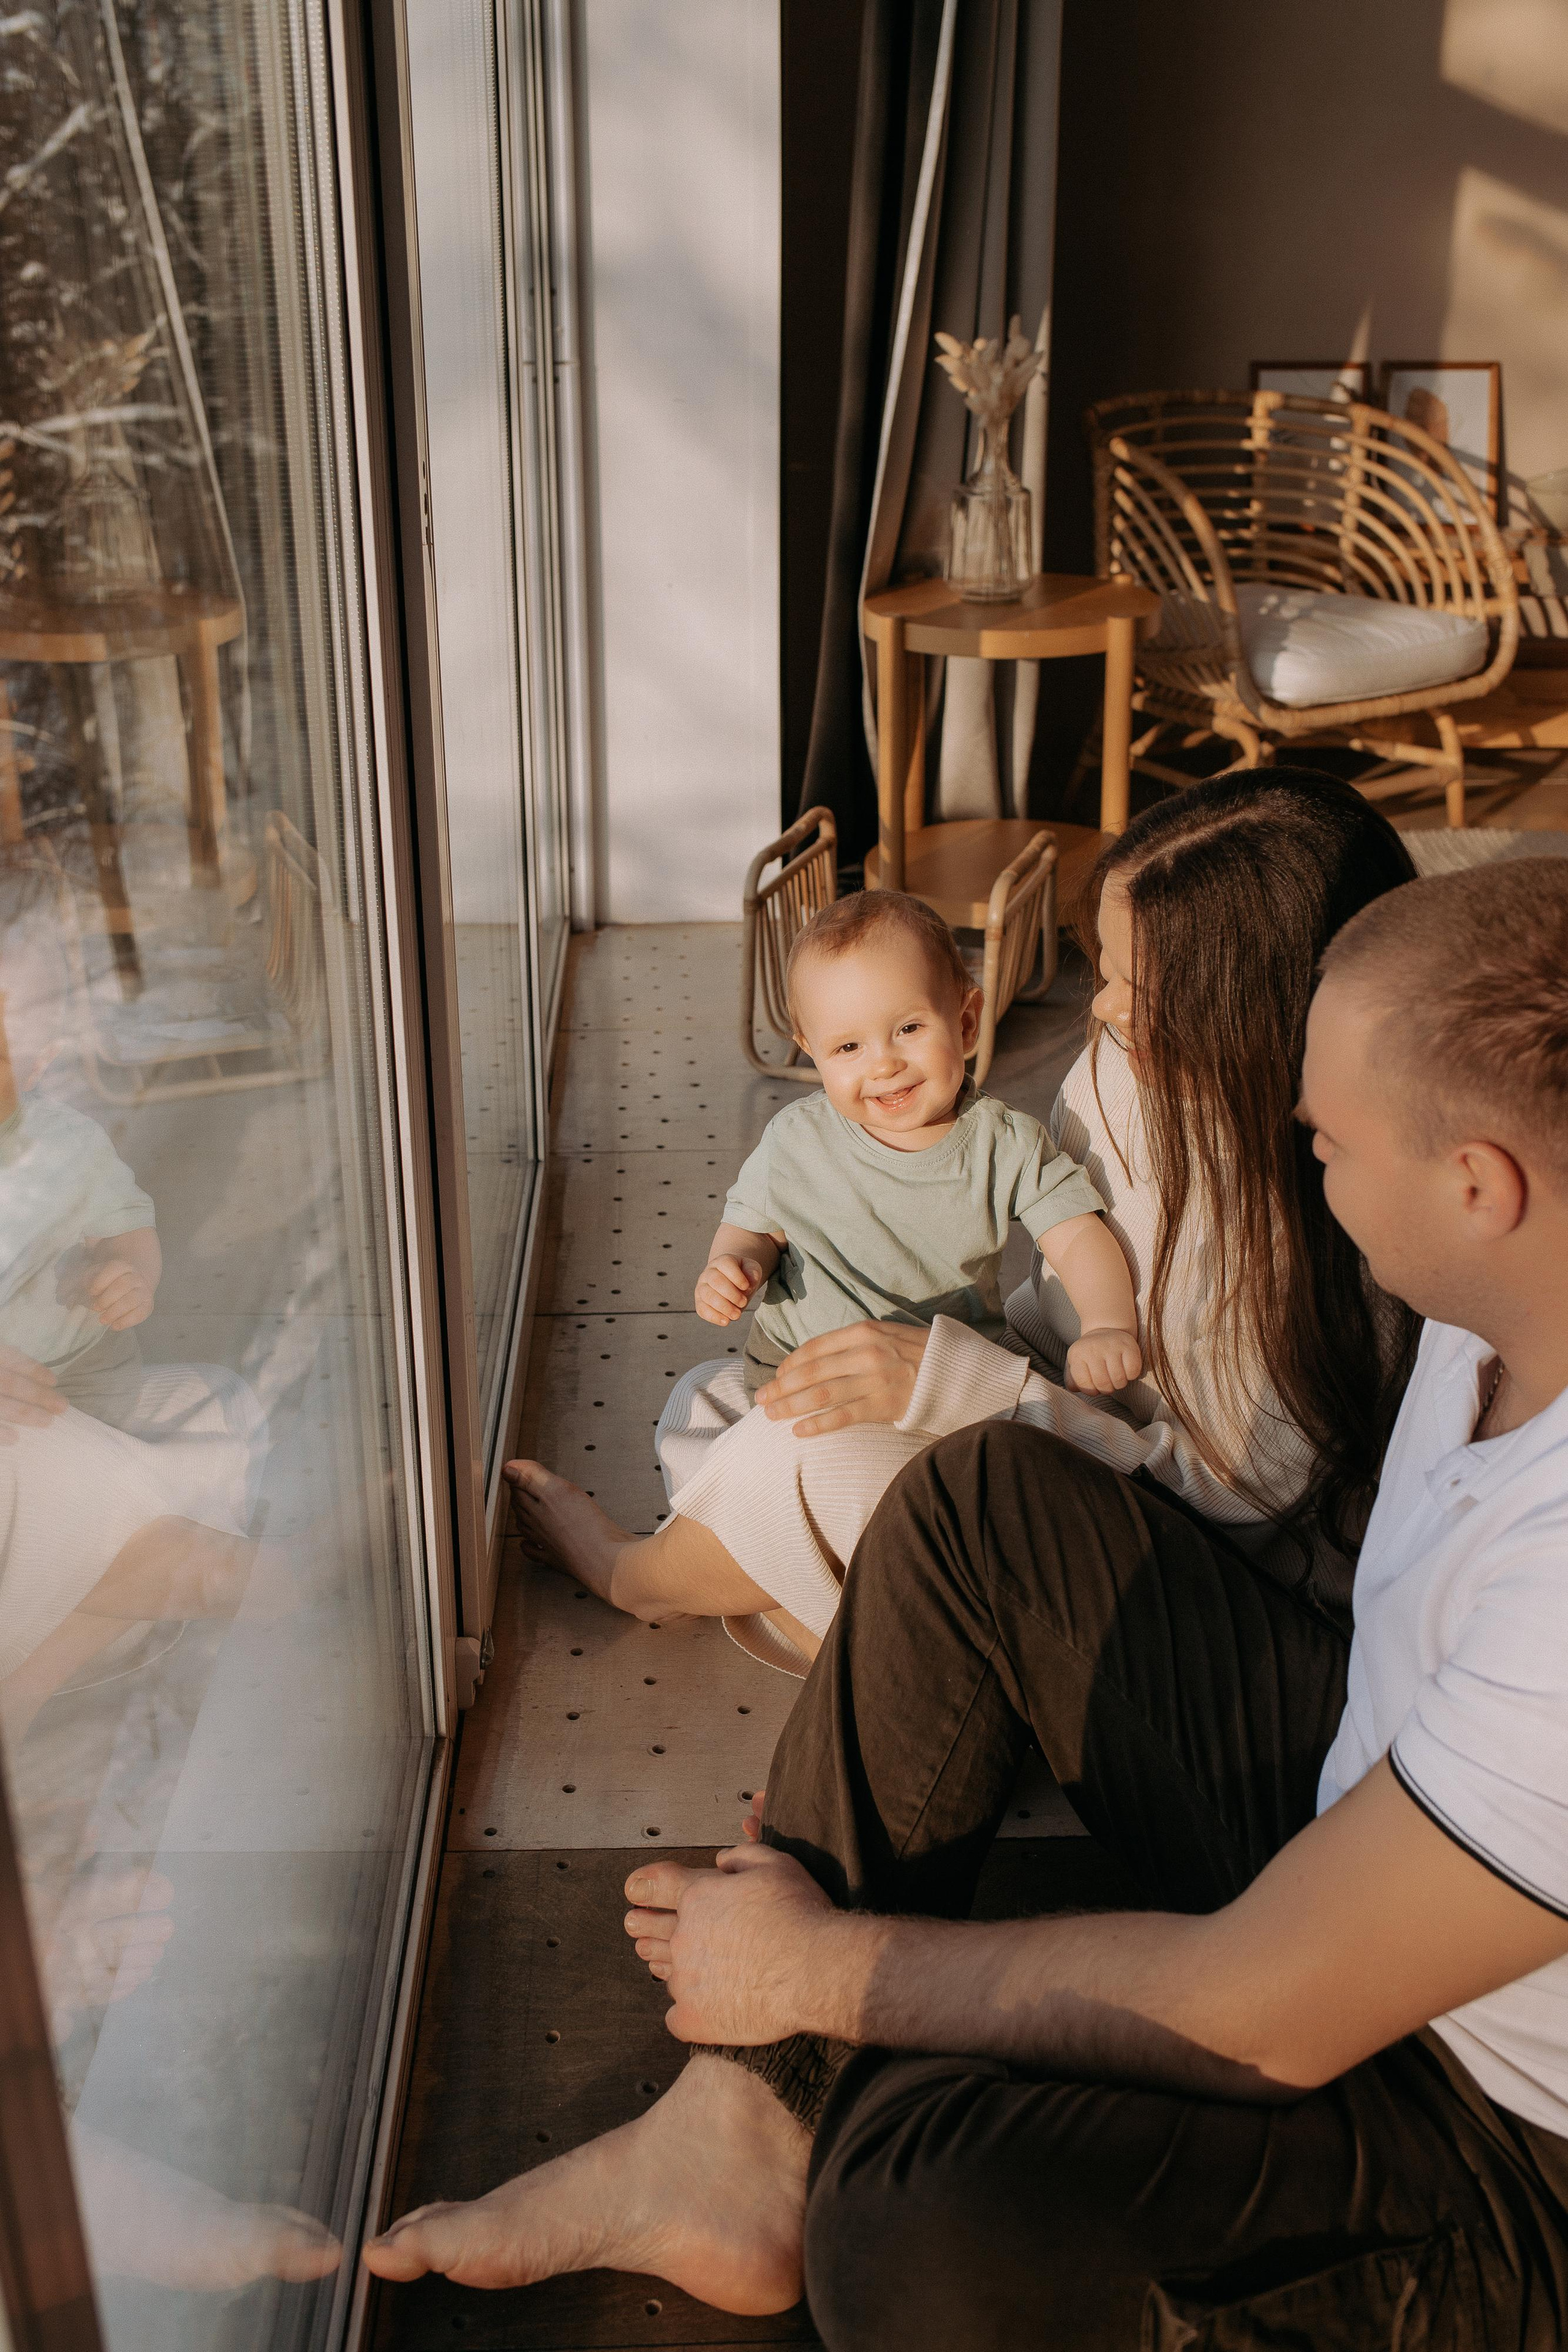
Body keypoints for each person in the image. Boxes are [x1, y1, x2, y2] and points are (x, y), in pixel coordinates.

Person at [365, 853, 1568, 2348]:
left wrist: (821, 1968)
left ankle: (804, 2097)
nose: (1291, 1152)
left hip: (1499, 2126)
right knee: (979, 1497)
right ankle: (735, 2134)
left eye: (1321, 1136)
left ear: (1474, 1184)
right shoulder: (1502, 1286)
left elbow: (1272, 2005)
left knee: (915, 2217)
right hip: (1368, 1790)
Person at [503, 771, 1417, 1667]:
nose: (1101, 1009)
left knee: (805, 1456)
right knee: (727, 1397)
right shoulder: (1119, 1071)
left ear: (1257, 1009)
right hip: (1051, 1422)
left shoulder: (1331, 1252)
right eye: (1103, 969)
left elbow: (1220, 1509)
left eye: (1142, 989)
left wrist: (967, 1386)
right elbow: (1049, 1294)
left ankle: (634, 1576)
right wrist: (944, 1373)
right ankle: (874, 1623)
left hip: (1174, 1560)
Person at [694, 890, 1137, 1404]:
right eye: (848, 1047)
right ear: (812, 1050)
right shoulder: (795, 1139)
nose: (883, 1065)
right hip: (798, 1360)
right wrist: (733, 1265)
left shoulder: (1002, 1143)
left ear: (967, 1022)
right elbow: (756, 1229)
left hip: (937, 1373)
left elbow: (1077, 1234)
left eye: (908, 1029)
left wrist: (1107, 1324)